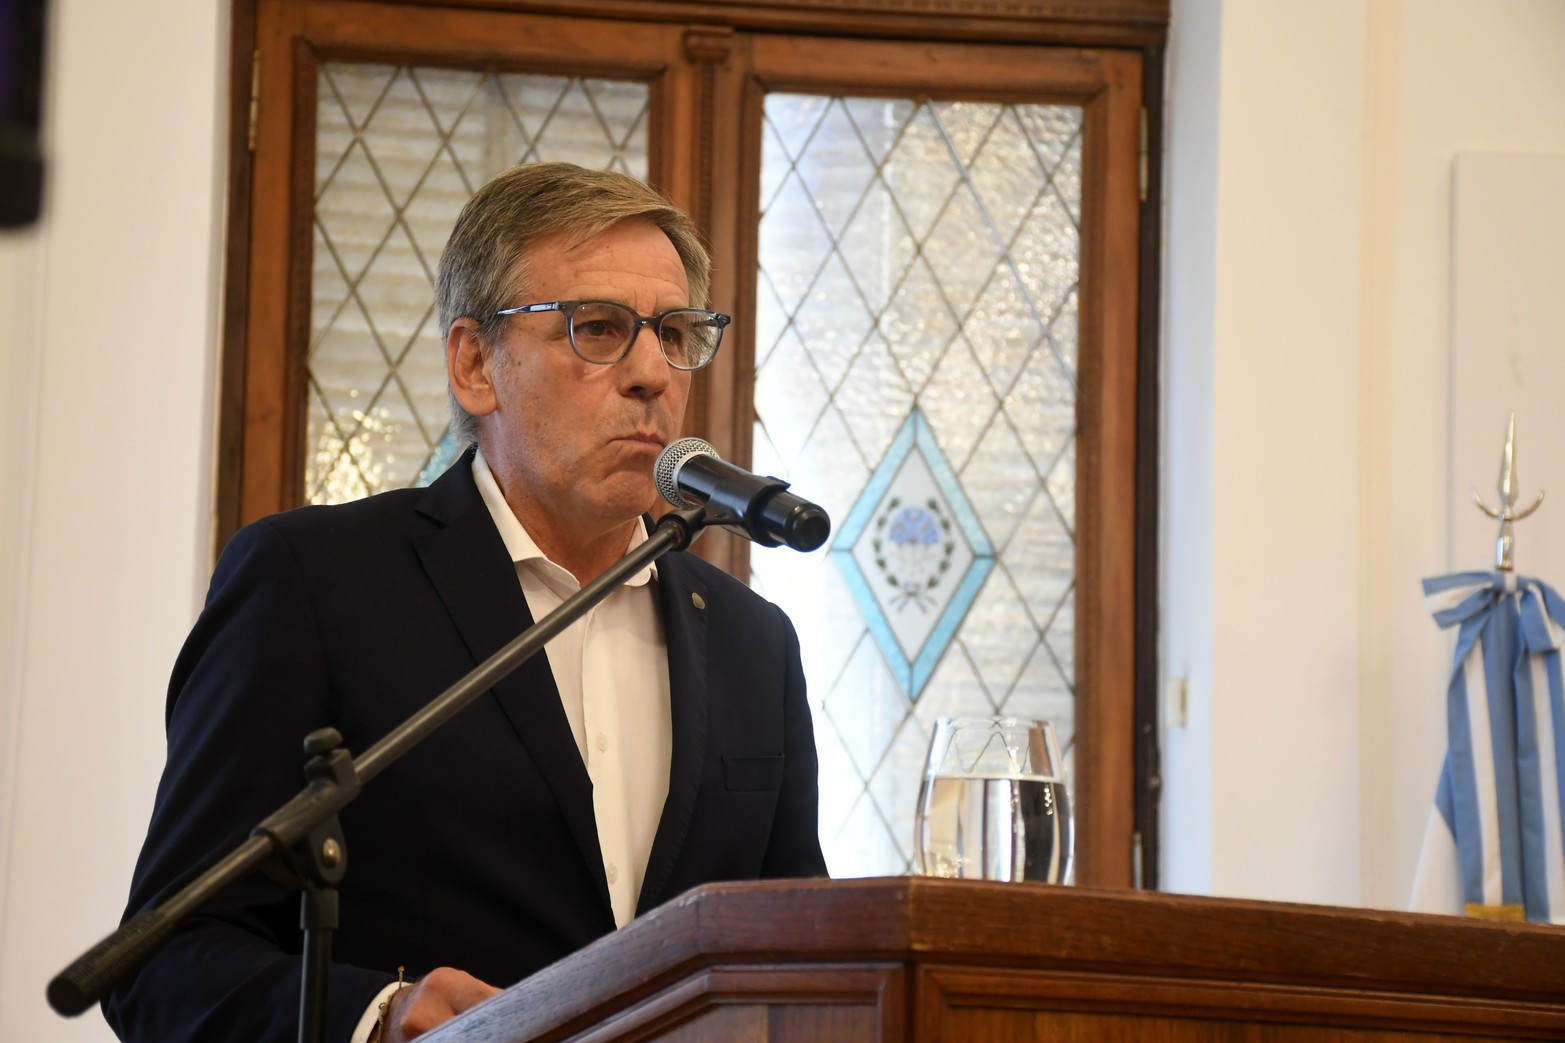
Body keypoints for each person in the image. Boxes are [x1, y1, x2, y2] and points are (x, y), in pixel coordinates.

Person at [104, 162, 827, 1043]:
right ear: (475, 363)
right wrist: (379, 1018)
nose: (651, 373)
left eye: (675, 334)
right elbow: (165, 958)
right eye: (598, 328)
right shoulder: (314, 583)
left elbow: (803, 966)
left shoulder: (755, 644)